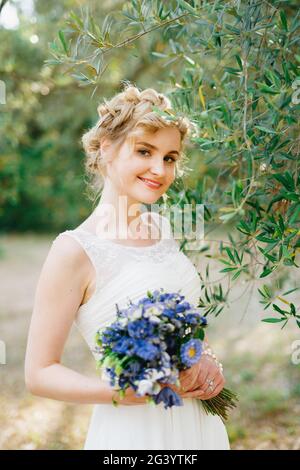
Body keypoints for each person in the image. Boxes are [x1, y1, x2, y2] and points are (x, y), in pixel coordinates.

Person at [24, 83, 230, 450]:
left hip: (197, 422)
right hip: (134, 432)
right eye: (145, 151)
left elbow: (188, 323)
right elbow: (39, 373)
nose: (159, 169)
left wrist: (206, 358)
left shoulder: (161, 227)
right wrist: (122, 392)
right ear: (106, 149)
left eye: (169, 157)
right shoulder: (74, 251)